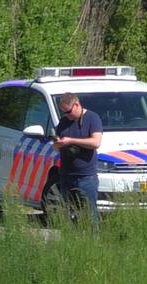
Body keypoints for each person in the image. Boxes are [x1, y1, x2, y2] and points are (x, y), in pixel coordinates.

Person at [53, 92, 103, 229]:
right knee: (68, 214)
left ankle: (93, 242)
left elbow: (96, 142)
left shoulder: (92, 118)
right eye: (63, 112)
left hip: (86, 176)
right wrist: (58, 144)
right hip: (66, 175)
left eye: (68, 111)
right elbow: (56, 145)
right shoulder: (64, 121)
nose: (67, 115)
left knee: (90, 215)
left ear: (76, 105)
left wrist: (71, 140)